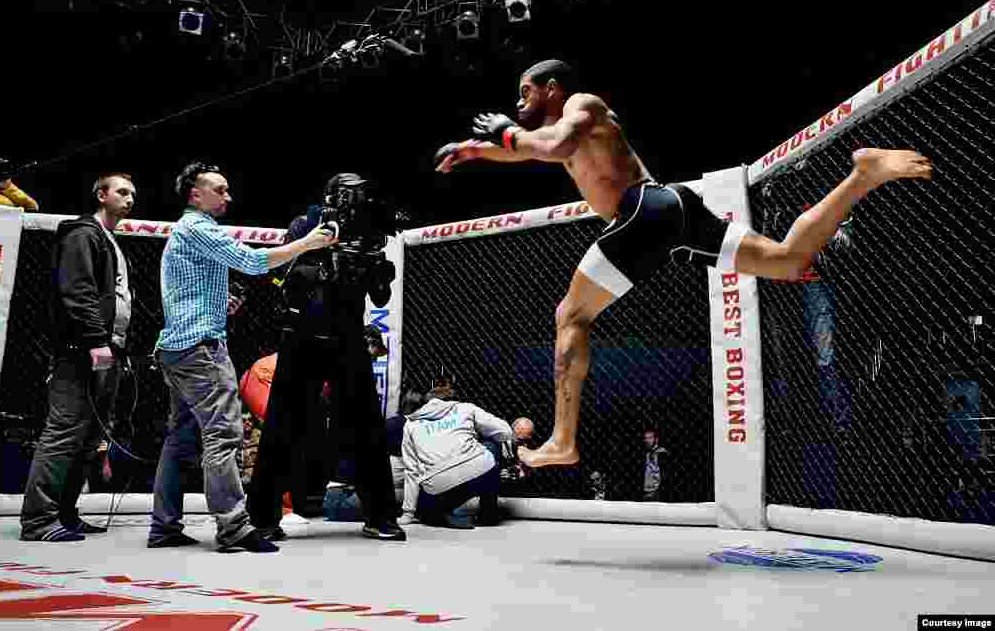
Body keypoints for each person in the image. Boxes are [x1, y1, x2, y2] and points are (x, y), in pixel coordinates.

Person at [435, 58, 933, 469]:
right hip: (672, 214)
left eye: (525, 91)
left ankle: (563, 441)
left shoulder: (581, 106)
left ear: (552, 88)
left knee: (570, 314)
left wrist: (506, 135)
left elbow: (550, 145)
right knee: (788, 261)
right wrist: (473, 150)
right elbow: (531, 151)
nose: (518, 101)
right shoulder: (556, 130)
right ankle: (864, 175)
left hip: (644, 210)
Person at [148, 161, 338, 553]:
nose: (228, 196)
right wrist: (307, 243)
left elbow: (187, 292)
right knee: (224, 433)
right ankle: (233, 528)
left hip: (178, 347)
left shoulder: (186, 232)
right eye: (219, 189)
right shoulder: (198, 228)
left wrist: (221, 306)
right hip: (200, 349)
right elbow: (252, 262)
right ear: (195, 194)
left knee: (181, 438)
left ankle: (164, 526)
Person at [245, 180, 405, 543]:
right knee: (283, 426)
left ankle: (381, 516)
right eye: (352, 193)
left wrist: (376, 273)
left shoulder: (369, 228)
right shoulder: (309, 223)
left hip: (348, 336)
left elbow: (380, 296)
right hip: (302, 336)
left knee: (367, 428)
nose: (358, 200)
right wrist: (318, 258)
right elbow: (279, 276)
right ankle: (263, 517)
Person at [19, 173, 136, 541]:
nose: (129, 198)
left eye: (132, 193)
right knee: (64, 430)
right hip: (81, 349)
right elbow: (77, 291)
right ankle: (38, 520)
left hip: (109, 347)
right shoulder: (83, 234)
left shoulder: (109, 239)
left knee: (89, 437)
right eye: (121, 192)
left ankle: (65, 514)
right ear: (101, 195)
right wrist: (96, 341)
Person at [398, 378, 513, 529]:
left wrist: (408, 513)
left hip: (440, 485)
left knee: (425, 506)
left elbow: (411, 470)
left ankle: (438, 513)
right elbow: (505, 432)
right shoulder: (465, 408)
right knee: (492, 444)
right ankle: (488, 513)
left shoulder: (411, 424)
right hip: (480, 473)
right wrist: (481, 435)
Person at [640, 428, 668, 501]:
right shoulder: (646, 452)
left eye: (650, 438)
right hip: (646, 489)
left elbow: (665, 474)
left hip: (657, 491)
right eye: (646, 438)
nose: (647, 440)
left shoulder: (661, 453)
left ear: (656, 439)